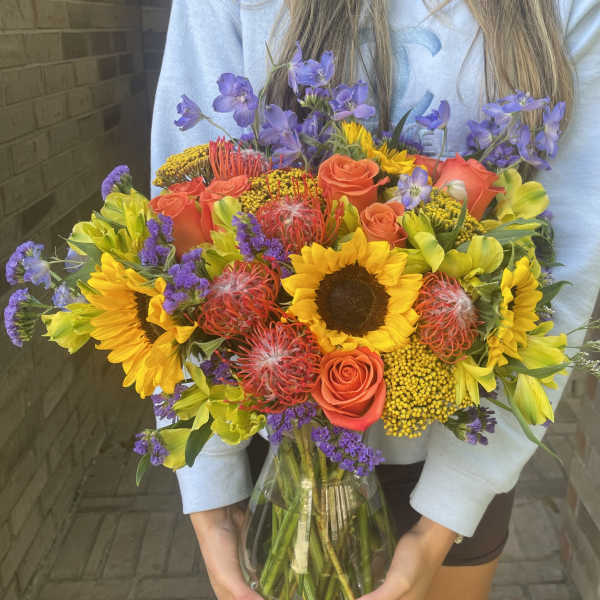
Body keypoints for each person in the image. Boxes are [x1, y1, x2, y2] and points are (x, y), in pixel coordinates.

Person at [150, 1, 600, 598]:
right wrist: (209, 491)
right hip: (281, 450)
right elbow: (184, 251)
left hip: (463, 444)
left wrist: (447, 512)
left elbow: (568, 253)